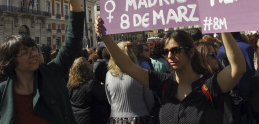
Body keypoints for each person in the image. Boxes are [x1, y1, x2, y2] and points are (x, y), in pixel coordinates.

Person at [96, 17, 246, 124]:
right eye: (166, 51)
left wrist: (222, 26)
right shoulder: (164, 83)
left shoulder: (209, 85)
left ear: (191, 52)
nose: (169, 56)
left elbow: (237, 69)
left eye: (175, 50)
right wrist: (105, 37)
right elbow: (128, 67)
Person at [0, 0, 84, 124]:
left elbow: (72, 40)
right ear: (11, 61)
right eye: (25, 52)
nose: (33, 54)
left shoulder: (52, 73)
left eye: (34, 49)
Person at [105, 41, 154, 123]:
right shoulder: (141, 73)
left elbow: (110, 100)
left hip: (116, 119)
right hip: (139, 117)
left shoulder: (109, 75)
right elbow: (150, 100)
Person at [67, 57, 109, 124]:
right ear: (86, 68)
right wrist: (102, 86)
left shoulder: (70, 85)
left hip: (75, 119)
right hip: (90, 119)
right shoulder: (91, 84)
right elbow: (105, 97)